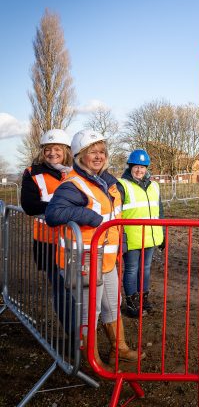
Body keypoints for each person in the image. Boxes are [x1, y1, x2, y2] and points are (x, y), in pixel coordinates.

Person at [46, 130, 142, 368]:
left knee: (112, 303)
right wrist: (88, 216)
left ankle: (118, 348)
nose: (98, 157)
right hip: (85, 260)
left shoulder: (110, 182)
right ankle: (91, 360)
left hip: (107, 259)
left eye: (101, 152)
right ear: (80, 157)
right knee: (90, 311)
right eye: (92, 153)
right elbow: (53, 214)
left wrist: (124, 243)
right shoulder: (74, 184)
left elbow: (116, 217)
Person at [20, 129, 77, 336]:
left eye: (57, 149)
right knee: (61, 289)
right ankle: (73, 335)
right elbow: (29, 205)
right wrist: (62, 209)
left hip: (76, 241)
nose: (52, 153)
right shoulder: (32, 173)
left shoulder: (76, 171)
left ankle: (86, 329)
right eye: (47, 149)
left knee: (81, 288)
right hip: (48, 242)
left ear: (66, 151)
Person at [115, 149, 164, 317]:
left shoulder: (154, 186)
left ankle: (143, 299)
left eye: (142, 167)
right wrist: (120, 238)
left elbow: (160, 211)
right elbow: (116, 212)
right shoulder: (122, 185)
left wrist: (162, 233)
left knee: (146, 269)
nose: (139, 170)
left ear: (146, 168)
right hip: (132, 237)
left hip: (151, 236)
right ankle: (132, 303)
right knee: (131, 269)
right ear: (130, 167)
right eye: (136, 166)